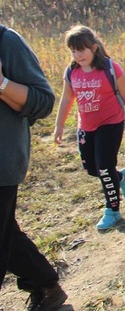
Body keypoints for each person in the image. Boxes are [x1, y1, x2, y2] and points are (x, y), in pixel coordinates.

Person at [0, 24, 69, 310]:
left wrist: (1, 84)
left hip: (2, 163)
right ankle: (45, 284)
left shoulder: (6, 42)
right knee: (6, 234)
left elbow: (43, 102)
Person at [53, 25, 125, 231]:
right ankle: (120, 177)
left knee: (104, 167)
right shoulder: (71, 71)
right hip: (86, 126)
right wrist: (59, 126)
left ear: (94, 48)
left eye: (81, 50)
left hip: (110, 123)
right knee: (92, 169)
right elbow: (67, 98)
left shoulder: (111, 68)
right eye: (73, 51)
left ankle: (112, 210)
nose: (77, 55)